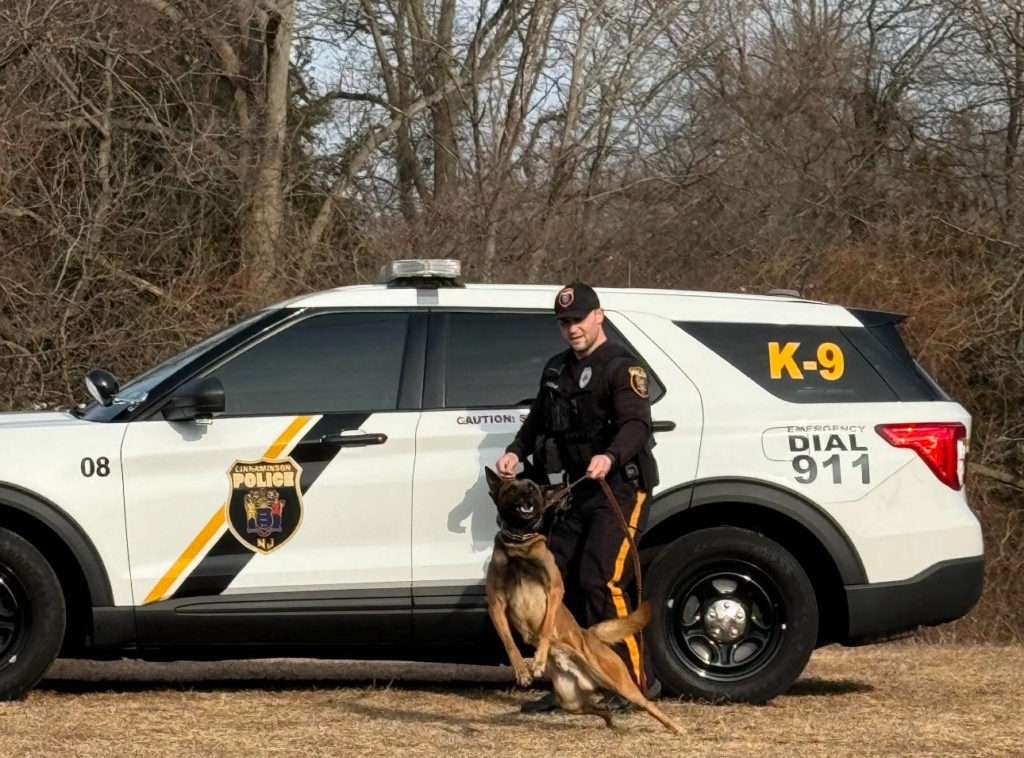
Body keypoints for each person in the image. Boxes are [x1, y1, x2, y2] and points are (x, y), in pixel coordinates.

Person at [495, 281, 661, 713]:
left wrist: (610, 456)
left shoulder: (621, 366)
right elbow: (537, 420)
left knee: (599, 580)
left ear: (598, 316)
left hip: (618, 486)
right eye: (564, 322)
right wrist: (515, 451)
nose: (572, 329)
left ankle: (635, 683)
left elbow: (637, 425)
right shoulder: (557, 369)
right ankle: (567, 683)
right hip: (574, 490)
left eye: (579, 319)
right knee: (557, 580)